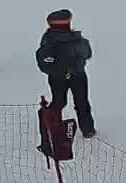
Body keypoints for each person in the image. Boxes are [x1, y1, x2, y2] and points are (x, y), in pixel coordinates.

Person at [36, 9, 95, 145]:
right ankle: (87, 129)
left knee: (58, 102)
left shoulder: (47, 39)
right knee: (82, 102)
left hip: (56, 77)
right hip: (77, 75)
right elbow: (87, 53)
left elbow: (44, 61)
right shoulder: (76, 40)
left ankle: (52, 125)